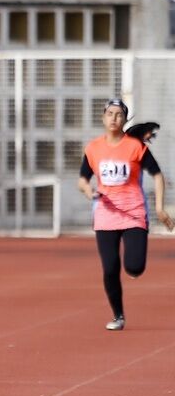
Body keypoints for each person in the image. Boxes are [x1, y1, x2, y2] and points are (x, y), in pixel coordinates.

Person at [78, 99, 173, 332]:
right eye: (110, 114)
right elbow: (82, 179)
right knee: (110, 268)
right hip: (105, 215)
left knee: (134, 267)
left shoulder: (135, 147)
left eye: (119, 115)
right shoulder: (93, 148)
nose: (114, 119)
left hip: (133, 213)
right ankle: (118, 315)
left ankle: (134, 268)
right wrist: (89, 191)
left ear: (124, 119)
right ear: (103, 117)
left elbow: (158, 176)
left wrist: (160, 208)